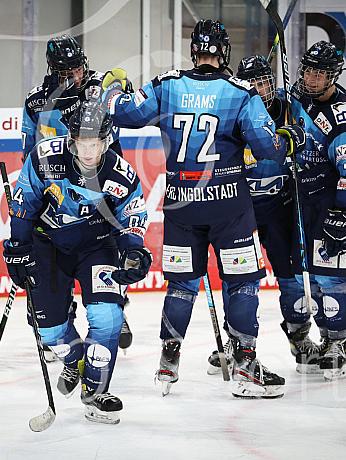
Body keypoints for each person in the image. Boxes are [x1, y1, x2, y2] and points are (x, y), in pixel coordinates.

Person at [100, 20, 305, 399]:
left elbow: (122, 113)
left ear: (194, 50)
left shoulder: (167, 85)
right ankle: (245, 366)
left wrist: (113, 88)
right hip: (230, 210)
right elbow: (269, 150)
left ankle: (168, 362)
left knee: (180, 287)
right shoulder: (240, 92)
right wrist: (289, 137)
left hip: (181, 208)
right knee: (241, 284)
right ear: (224, 53)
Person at [3, 100, 152, 423]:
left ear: (106, 140)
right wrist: (18, 246)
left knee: (108, 317)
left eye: (95, 143)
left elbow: (133, 214)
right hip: (48, 246)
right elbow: (23, 204)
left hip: (98, 245)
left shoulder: (119, 173)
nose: (88, 152)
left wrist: (134, 248)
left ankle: (96, 392)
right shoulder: (44, 159)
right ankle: (74, 360)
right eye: (82, 143)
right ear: (71, 139)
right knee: (50, 330)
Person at [206, 54, 319, 376]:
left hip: (281, 208)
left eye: (265, 82)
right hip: (241, 211)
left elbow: (310, 117)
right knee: (237, 279)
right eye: (252, 83)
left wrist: (296, 136)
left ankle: (300, 337)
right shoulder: (232, 110)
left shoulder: (289, 105)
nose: (259, 88)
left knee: (293, 277)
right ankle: (235, 341)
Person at [22, 34, 135, 352]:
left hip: (105, 184)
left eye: (78, 68)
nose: (76, 75)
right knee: (57, 257)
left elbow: (121, 85)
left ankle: (115, 303)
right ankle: (62, 313)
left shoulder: (97, 87)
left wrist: (117, 83)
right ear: (53, 70)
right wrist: (32, 189)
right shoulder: (35, 101)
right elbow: (27, 151)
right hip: (60, 191)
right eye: (67, 71)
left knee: (107, 251)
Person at [288, 41, 346, 381]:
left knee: (331, 276)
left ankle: (339, 343)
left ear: (333, 76)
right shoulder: (297, 97)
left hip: (328, 203)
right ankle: (322, 339)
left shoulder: (342, 118)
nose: (311, 78)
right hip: (300, 200)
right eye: (307, 70)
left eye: (319, 73)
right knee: (307, 276)